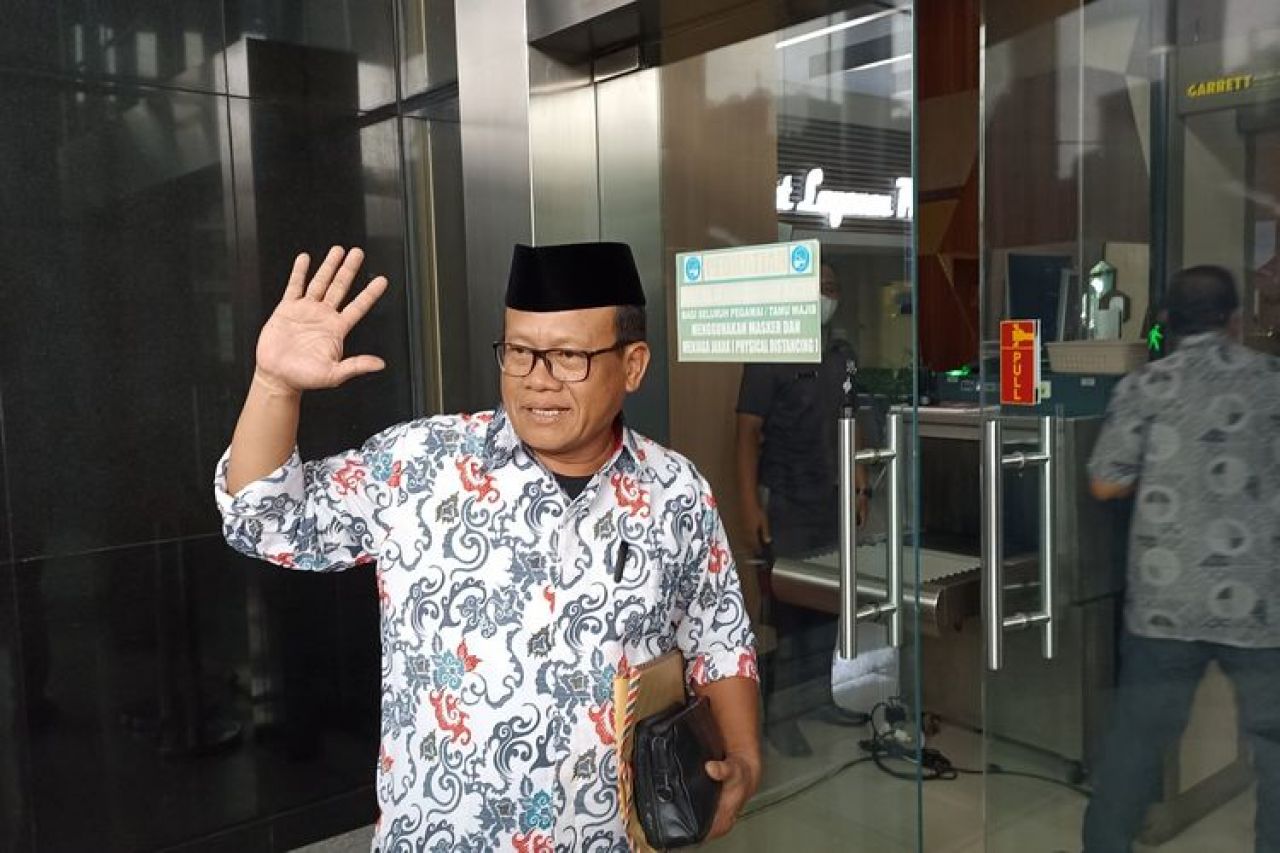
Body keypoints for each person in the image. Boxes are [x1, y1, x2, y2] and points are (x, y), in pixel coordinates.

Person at [216, 243, 760, 851]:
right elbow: (263, 520)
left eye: (569, 357)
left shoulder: (675, 489)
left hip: (611, 838)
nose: (537, 379)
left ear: (632, 365)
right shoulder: (421, 464)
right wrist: (274, 385)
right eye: (520, 352)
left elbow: (718, 636)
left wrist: (743, 757)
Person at [1083, 266, 1280, 853]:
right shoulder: (1271, 380)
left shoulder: (1144, 386)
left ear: (1167, 322)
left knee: (1135, 746)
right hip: (1259, 604)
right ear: (1235, 320)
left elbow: (1105, 484)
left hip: (1165, 603)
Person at [734, 262, 868, 757]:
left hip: (831, 499)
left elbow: (851, 417)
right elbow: (746, 433)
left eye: (833, 287)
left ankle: (819, 699)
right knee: (788, 613)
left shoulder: (842, 355)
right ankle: (780, 716)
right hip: (786, 500)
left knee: (828, 606)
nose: (827, 296)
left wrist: (860, 481)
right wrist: (750, 504)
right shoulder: (769, 354)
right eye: (819, 287)